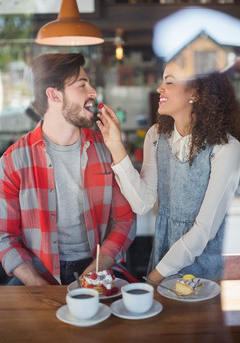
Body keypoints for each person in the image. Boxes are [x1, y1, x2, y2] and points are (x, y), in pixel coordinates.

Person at [97, 60, 240, 283]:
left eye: (169, 82)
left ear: (196, 92)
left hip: (203, 275)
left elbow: (203, 231)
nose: (159, 89)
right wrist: (115, 145)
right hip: (162, 260)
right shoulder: (156, 136)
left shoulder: (226, 148)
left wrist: (154, 278)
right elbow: (142, 203)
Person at [0, 53, 136, 286]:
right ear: (53, 94)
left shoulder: (107, 148)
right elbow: (5, 236)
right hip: (36, 272)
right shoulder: (13, 160)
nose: (92, 92)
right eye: (82, 84)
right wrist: (37, 285)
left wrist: (94, 270)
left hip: (98, 264)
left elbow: (125, 220)